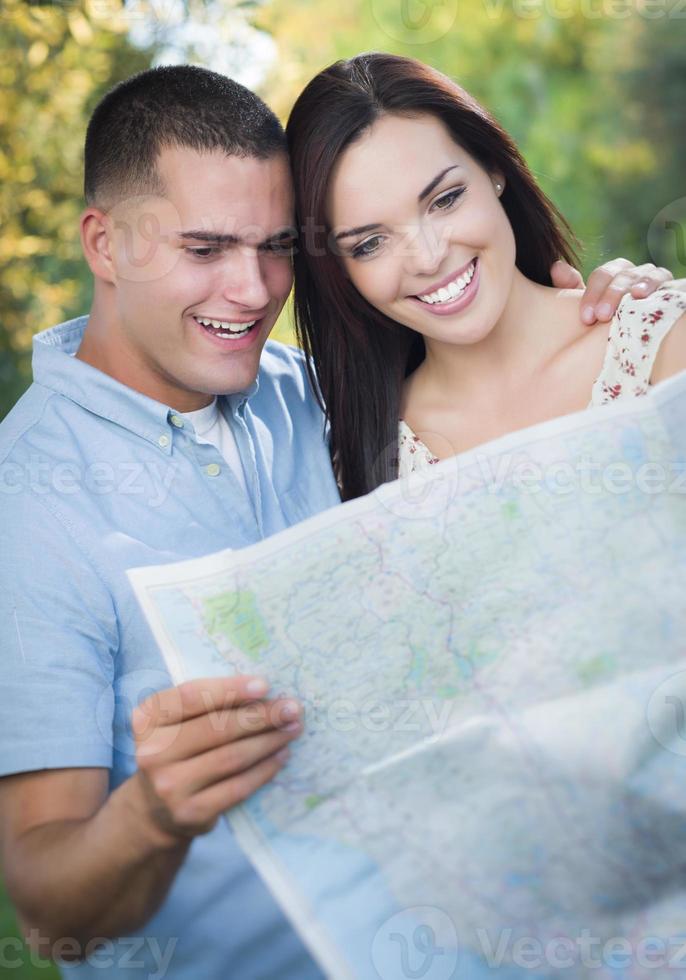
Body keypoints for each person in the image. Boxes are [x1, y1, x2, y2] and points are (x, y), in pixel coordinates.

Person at [0, 63, 676, 980]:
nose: (249, 292)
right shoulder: (30, 503)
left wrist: (615, 308)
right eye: (204, 249)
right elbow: (46, 910)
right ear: (104, 243)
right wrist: (150, 814)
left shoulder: (317, 406)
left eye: (276, 245)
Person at [285, 52, 686, 501]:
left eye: (445, 200)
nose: (428, 257)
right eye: (370, 243)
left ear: (494, 170)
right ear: (339, 270)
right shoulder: (363, 464)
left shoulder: (665, 341)